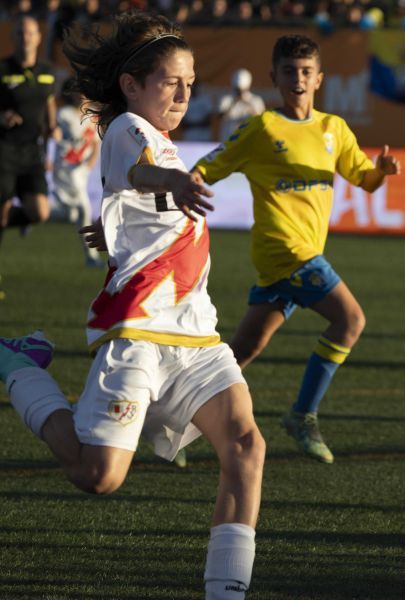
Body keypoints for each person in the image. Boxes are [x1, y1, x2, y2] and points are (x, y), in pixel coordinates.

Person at [0, 14, 264, 599]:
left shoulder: (156, 138)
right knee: (98, 477)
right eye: (172, 81)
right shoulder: (129, 129)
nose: (185, 94)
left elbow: (136, 198)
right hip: (141, 332)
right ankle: (18, 367)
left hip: (195, 332)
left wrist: (114, 229)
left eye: (191, 82)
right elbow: (144, 172)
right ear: (132, 85)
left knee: (246, 446)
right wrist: (169, 183)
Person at [192, 34, 400, 464]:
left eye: (306, 72)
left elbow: (365, 179)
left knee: (242, 352)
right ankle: (302, 414)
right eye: (289, 71)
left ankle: (179, 419)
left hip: (295, 258)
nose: (298, 79)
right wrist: (177, 187)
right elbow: (206, 167)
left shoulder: (333, 129)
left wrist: (380, 171)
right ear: (274, 77)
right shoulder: (262, 128)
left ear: (319, 78)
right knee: (350, 319)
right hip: (283, 249)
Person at [0, 15, 58, 300]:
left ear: (38, 37)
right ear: (14, 38)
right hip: (4, 151)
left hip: (32, 153)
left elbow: (49, 102)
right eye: (21, 33)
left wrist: (52, 130)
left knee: (41, 213)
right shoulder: (2, 69)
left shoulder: (48, 71)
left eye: (31, 32)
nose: (26, 37)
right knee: (1, 211)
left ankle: (19, 220)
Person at [50, 78, 103, 267]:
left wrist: (90, 163)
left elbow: (96, 142)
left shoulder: (92, 115)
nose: (80, 95)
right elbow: (55, 136)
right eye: (75, 91)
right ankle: (91, 258)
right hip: (66, 169)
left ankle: (36, 213)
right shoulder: (63, 114)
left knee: (75, 214)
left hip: (81, 170)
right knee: (83, 210)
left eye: (82, 91)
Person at [216, 68, 265, 142]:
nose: (240, 92)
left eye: (242, 90)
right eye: (237, 90)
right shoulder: (226, 99)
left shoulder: (255, 100)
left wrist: (247, 103)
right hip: (228, 138)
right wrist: (235, 101)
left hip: (248, 139)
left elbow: (261, 119)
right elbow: (220, 116)